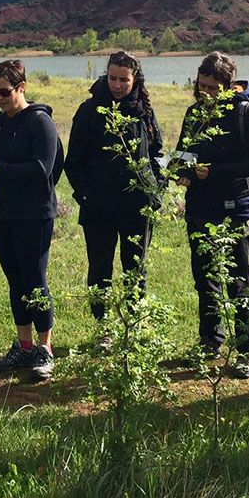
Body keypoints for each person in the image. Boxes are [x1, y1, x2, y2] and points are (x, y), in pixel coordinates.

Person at [175, 51, 249, 379]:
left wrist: (212, 172)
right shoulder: (194, 112)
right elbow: (184, 151)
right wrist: (181, 169)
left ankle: (248, 350)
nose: (206, 93)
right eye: (201, 86)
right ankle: (210, 341)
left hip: (233, 207)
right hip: (199, 207)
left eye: (213, 87)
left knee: (239, 281)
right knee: (204, 279)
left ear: (229, 86)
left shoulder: (244, 114)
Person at [0, 60, 61, 381]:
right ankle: (23, 347)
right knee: (15, 281)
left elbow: (43, 170)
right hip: (2, 213)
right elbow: (3, 164)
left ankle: (44, 350)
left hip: (35, 214)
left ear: (22, 87)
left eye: (4, 92)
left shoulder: (41, 123)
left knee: (35, 280)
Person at [64, 51, 163, 339]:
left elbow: (157, 155)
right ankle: (104, 329)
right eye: (112, 78)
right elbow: (74, 163)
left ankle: (134, 328)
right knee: (99, 271)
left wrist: (155, 191)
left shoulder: (145, 110)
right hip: (99, 210)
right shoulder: (88, 111)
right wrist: (87, 197)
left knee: (136, 270)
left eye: (124, 80)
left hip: (138, 207)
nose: (117, 85)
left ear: (136, 79)